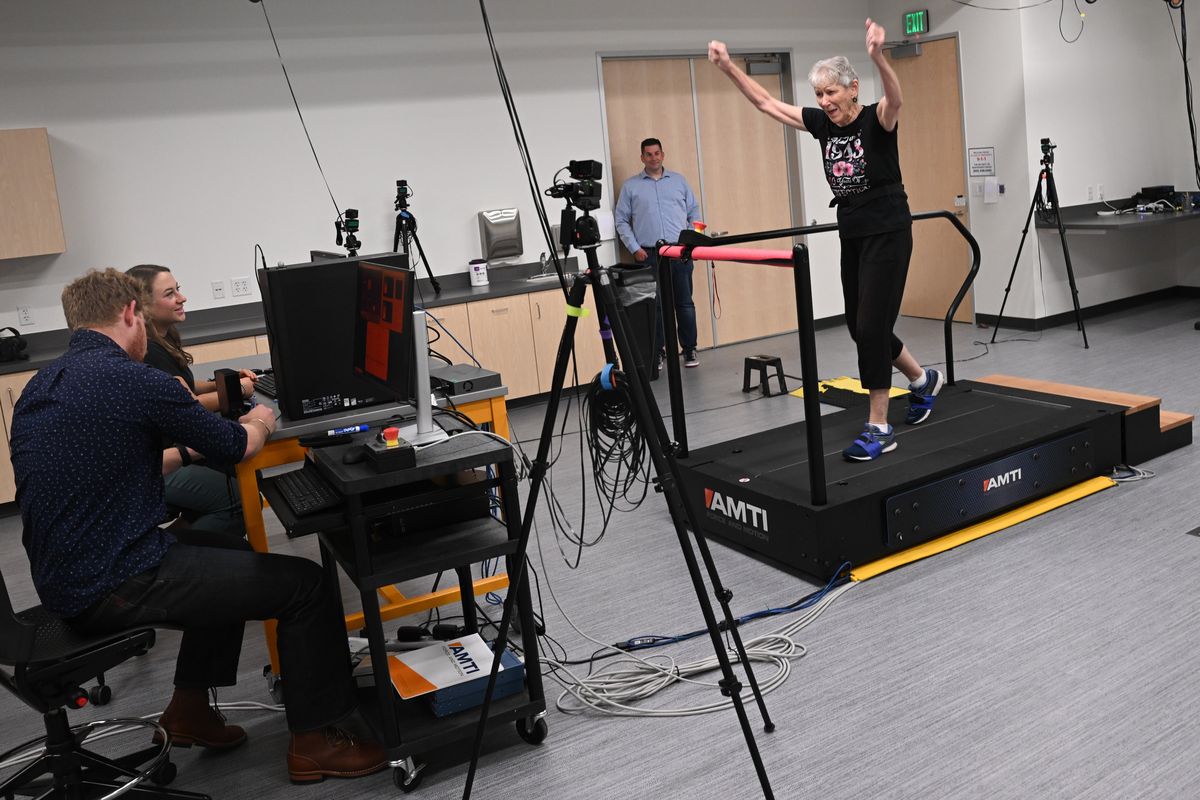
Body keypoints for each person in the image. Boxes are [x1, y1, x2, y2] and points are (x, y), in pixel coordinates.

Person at [10, 268, 386, 784]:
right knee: (307, 587)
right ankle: (317, 740)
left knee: (228, 546)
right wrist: (263, 419)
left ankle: (189, 708)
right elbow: (236, 447)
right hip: (115, 581)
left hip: (66, 575)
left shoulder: (40, 386)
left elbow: (109, 459)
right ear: (129, 314)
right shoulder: (133, 380)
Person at [708, 20, 945, 461]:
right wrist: (728, 68)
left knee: (872, 328)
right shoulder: (821, 125)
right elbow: (766, 103)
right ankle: (922, 380)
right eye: (819, 94)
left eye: (831, 93)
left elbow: (897, 97)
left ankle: (878, 425)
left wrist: (878, 56)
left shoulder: (877, 119)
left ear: (852, 89)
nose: (824, 102)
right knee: (860, 327)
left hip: (889, 231)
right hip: (853, 231)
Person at [128, 264, 254, 533]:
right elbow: (186, 405)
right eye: (170, 293)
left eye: (179, 290)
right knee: (238, 499)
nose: (181, 298)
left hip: (168, 454)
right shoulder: (148, 350)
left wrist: (222, 383)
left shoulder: (162, 339)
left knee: (234, 476)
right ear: (144, 306)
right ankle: (169, 556)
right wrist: (238, 391)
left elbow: (183, 387)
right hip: (156, 465)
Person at [614, 137, 703, 370]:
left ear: (663, 154)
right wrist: (635, 248)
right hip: (650, 255)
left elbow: (695, 212)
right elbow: (621, 220)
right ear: (642, 157)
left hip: (679, 252)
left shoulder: (679, 182)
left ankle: (690, 349)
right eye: (648, 154)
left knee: (684, 303)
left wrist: (692, 241)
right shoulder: (631, 187)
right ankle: (659, 352)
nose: (653, 158)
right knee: (655, 306)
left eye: (657, 153)